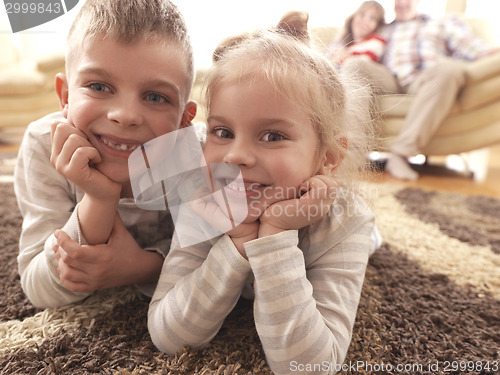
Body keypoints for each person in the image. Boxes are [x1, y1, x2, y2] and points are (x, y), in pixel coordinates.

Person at [148, 28, 381, 375]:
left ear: (328, 157)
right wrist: (238, 244)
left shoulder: (346, 223)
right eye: (223, 132)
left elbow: (311, 367)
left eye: (272, 136)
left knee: (374, 242)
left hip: (355, 231)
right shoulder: (205, 198)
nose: (237, 155)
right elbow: (168, 336)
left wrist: (274, 236)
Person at [14, 0, 197, 309]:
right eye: (99, 86)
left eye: (155, 96)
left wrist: (144, 267)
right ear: (65, 97)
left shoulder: (199, 154)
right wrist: (99, 200)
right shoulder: (42, 144)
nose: (125, 116)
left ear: (184, 119)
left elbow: (231, 267)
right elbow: (40, 289)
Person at [347, 0, 498, 180]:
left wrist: (491, 53)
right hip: (390, 79)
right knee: (354, 64)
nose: (402, 2)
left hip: (425, 80)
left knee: (450, 69)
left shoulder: (441, 22)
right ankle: (351, 152)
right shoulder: (382, 28)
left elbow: (474, 48)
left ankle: (400, 154)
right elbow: (352, 44)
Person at [326, 1, 386, 66]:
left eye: (372, 18)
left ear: (377, 25)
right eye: (362, 14)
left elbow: (363, 62)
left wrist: (346, 57)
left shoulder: (376, 43)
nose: (365, 20)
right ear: (353, 17)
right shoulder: (340, 41)